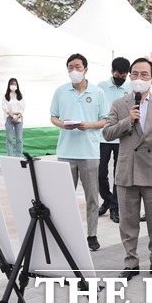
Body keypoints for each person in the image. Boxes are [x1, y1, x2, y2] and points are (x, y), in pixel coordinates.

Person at [103, 58, 152, 281]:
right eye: (135, 74)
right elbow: (107, 133)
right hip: (128, 170)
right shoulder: (119, 104)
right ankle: (131, 262)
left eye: (144, 75)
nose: (138, 78)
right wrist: (128, 121)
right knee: (128, 223)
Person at [50, 53, 109, 252]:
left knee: (92, 197)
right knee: (65, 197)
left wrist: (89, 125)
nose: (73, 71)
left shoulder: (98, 92)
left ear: (85, 69)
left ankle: (92, 235)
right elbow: (53, 117)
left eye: (77, 67)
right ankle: (66, 235)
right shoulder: (60, 91)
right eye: (70, 67)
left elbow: (105, 119)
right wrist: (63, 125)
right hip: (66, 151)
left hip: (90, 152)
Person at [97, 57, 131, 224]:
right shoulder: (101, 87)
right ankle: (108, 199)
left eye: (124, 76)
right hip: (103, 137)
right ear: (112, 71)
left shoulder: (131, 88)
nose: (121, 78)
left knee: (119, 174)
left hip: (123, 137)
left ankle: (115, 207)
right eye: (118, 74)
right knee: (100, 173)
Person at [2, 78, 25, 157]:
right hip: (9, 117)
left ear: (17, 85)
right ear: (9, 85)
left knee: (19, 139)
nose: (13, 86)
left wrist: (17, 116)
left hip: (19, 117)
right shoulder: (5, 97)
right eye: (12, 84)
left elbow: (22, 107)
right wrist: (13, 116)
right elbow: (5, 108)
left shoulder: (20, 96)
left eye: (15, 84)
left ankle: (19, 157)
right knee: (9, 139)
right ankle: (10, 157)